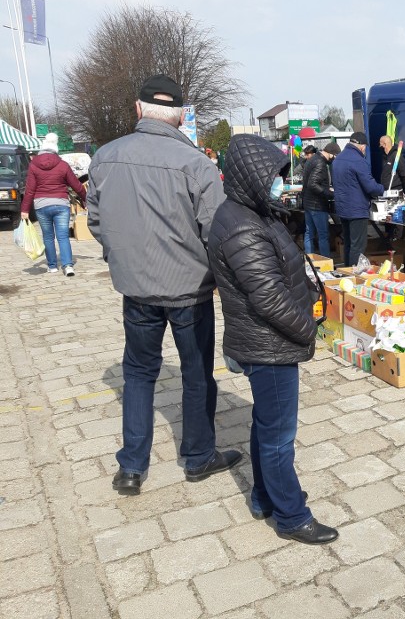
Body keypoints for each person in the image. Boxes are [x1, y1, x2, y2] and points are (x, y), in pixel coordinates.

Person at [87, 74, 242, 496]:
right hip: (189, 289)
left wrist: (127, 256)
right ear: (179, 116)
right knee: (196, 373)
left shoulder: (104, 157)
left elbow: (97, 223)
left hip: (136, 288)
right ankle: (197, 457)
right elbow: (217, 231)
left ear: (138, 110)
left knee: (138, 375)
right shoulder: (197, 163)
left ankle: (132, 468)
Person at [207, 133, 338, 545]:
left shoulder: (252, 211)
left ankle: (265, 495)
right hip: (269, 345)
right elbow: (267, 297)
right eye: (275, 177)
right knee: (279, 435)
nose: (281, 184)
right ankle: (291, 516)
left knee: (266, 423)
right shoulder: (241, 225)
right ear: (251, 178)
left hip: (268, 342)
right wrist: (307, 331)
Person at [20, 133, 87, 276]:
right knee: (63, 236)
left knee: (48, 237)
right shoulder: (62, 164)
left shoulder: (33, 165)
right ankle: (68, 266)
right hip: (61, 204)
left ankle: (52, 266)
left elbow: (30, 189)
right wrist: (85, 198)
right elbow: (76, 185)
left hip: (41, 205)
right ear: (55, 149)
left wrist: (24, 209)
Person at [332, 131, 384, 266]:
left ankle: (347, 272)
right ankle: (354, 276)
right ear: (361, 145)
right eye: (365, 147)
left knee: (348, 243)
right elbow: (370, 187)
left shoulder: (338, 159)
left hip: (342, 208)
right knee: (358, 246)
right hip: (357, 209)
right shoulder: (359, 161)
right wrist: (382, 189)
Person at [301, 142, 340, 257]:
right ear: (331, 154)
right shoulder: (320, 163)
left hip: (308, 203)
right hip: (317, 205)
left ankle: (310, 262)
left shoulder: (311, 160)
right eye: (335, 156)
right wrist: (328, 193)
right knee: (323, 235)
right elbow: (313, 184)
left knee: (309, 234)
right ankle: (326, 264)